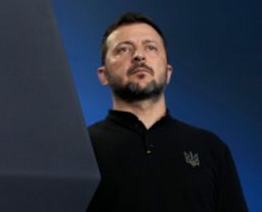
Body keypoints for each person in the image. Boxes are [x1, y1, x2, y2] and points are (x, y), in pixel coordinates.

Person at [87, 12, 248, 211]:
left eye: (151, 47)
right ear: (103, 75)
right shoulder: (81, 149)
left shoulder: (211, 149)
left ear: (168, 72)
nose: (139, 55)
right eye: (123, 49)